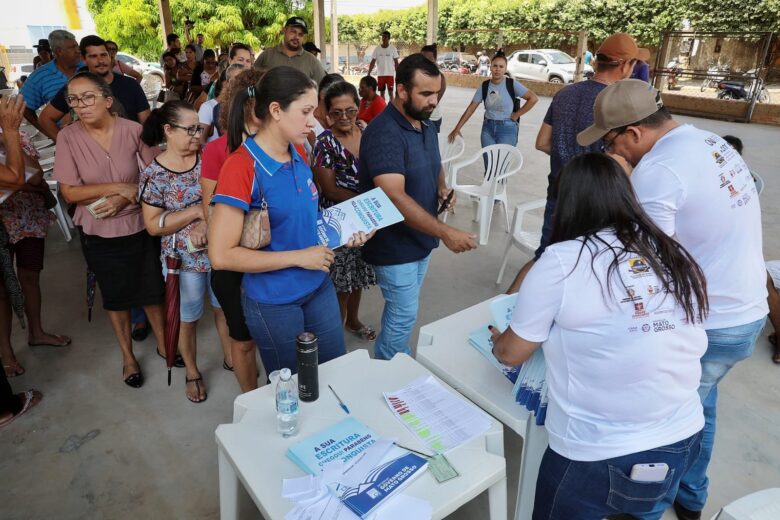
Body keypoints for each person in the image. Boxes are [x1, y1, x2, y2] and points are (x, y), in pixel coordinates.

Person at [577, 79, 768, 520]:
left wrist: (625, 186)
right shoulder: (709, 141)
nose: (611, 151)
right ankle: (691, 496)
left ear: (634, 133)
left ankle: (648, 508)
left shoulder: (657, 171)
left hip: (712, 320)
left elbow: (647, 266)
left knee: (666, 426)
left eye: (612, 140)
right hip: (745, 309)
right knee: (702, 407)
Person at [491, 153, 709, 519]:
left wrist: (501, 339)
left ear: (569, 203)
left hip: (596, 449)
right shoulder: (669, 248)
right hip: (682, 435)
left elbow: (512, 353)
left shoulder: (563, 259)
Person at [208, 66, 370, 377]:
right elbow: (222, 255)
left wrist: (346, 228)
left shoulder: (297, 152)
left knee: (337, 370)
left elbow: (304, 220)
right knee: (297, 385)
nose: (314, 121)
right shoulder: (241, 167)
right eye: (306, 111)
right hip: (274, 302)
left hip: (318, 286)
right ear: (275, 111)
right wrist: (301, 257)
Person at [358, 54, 477, 361]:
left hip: (420, 240)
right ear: (401, 91)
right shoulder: (384, 133)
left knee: (403, 311)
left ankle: (393, 363)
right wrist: (446, 231)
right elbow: (394, 197)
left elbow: (434, 162)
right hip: (394, 246)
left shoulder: (424, 124)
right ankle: (388, 369)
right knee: (403, 316)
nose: (433, 101)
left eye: (436, 93)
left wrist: (441, 187)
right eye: (425, 94)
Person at [54, 72, 166, 389]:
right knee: (115, 297)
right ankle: (128, 357)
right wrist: (120, 188)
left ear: (106, 100)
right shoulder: (68, 138)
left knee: (151, 290)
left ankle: (163, 343)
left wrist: (127, 196)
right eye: (73, 100)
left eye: (88, 97)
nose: (80, 105)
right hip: (97, 231)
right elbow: (70, 192)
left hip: (139, 225)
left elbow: (156, 177)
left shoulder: (134, 131)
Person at [507, 32, 640, 294]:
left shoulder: (565, 94)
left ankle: (503, 312)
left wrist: (567, 157)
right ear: (625, 65)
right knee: (588, 267)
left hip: (560, 188)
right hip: (597, 201)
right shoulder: (618, 103)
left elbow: (542, 142)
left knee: (545, 256)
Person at [139, 101, 230, 402]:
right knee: (187, 318)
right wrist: (196, 212)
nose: (197, 135)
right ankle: (191, 370)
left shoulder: (209, 158)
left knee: (224, 308)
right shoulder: (155, 174)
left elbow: (226, 197)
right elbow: (153, 225)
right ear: (168, 130)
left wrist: (208, 215)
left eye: (199, 128)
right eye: (190, 129)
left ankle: (232, 357)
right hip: (183, 261)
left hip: (220, 251)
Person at [201, 68, 265, 392]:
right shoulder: (217, 151)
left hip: (276, 258)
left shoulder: (289, 146)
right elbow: (209, 212)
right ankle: (251, 398)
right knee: (243, 340)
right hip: (234, 260)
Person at [0, 100, 69, 378]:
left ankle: (36, 332)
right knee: (2, 292)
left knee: (30, 278)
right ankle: (6, 353)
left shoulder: (16, 133)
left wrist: (9, 138)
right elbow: (18, 178)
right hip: (4, 222)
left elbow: (36, 175)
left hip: (27, 217)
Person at [312, 81, 377, 341]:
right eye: (336, 112)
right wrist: (367, 204)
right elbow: (329, 190)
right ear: (327, 115)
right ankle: (334, 335)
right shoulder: (324, 143)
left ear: (358, 107)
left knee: (358, 275)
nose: (344, 118)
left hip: (367, 218)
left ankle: (353, 320)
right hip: (338, 221)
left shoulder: (365, 131)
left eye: (350, 110)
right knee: (340, 282)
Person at [39, 35, 151, 140]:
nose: (100, 61)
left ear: (110, 55)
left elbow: (146, 124)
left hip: (130, 152)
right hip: (93, 156)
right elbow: (45, 119)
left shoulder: (130, 84)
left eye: (103, 55)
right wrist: (68, 145)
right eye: (93, 56)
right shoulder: (75, 88)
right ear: (83, 59)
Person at [448, 50, 539, 152]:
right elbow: (471, 108)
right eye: (495, 66)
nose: (497, 69)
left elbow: (533, 98)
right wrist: (457, 128)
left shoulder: (511, 84)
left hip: (507, 129)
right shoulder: (485, 86)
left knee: (501, 166)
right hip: (488, 130)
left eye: (501, 67)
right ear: (490, 67)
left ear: (505, 69)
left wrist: (517, 114)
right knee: (490, 166)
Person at [20, 30, 82, 131]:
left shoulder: (87, 68)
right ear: (59, 51)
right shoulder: (40, 75)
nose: (78, 50)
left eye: (77, 46)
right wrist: (48, 132)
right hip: (65, 137)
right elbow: (24, 107)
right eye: (72, 47)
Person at [253, 17, 326, 84]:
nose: (296, 37)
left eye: (300, 34)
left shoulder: (312, 60)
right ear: (284, 30)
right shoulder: (267, 55)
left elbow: (325, 89)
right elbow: (250, 81)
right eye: (293, 32)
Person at [198, 63, 243, 144]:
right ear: (226, 83)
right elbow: (200, 141)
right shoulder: (208, 108)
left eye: (243, 80)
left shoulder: (247, 106)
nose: (241, 84)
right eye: (236, 80)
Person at [368, 31, 399, 101]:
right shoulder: (377, 48)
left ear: (389, 38)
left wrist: (398, 73)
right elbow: (373, 61)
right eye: (382, 37)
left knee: (391, 93)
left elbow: (396, 62)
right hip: (380, 75)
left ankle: (392, 108)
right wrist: (369, 73)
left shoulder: (393, 49)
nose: (383, 38)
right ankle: (383, 108)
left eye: (385, 37)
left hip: (390, 75)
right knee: (382, 93)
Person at [420, 44, 445, 133]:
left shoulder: (439, 76)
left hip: (432, 119)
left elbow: (433, 102)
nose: (425, 63)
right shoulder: (418, 74)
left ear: (435, 60)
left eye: (429, 60)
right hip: (418, 118)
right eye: (422, 59)